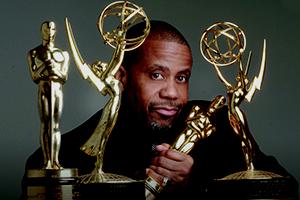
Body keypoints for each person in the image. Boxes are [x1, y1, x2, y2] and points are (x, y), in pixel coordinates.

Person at [23, 20, 298, 199]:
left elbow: (285, 189)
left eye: (182, 77)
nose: (172, 93)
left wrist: (195, 185)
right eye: (156, 75)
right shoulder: (62, 157)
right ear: (121, 77)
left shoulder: (218, 123)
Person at [27, 21, 69, 170]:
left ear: (55, 31)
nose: (49, 32)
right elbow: (34, 76)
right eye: (46, 29)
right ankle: (47, 162)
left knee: (56, 125)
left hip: (57, 90)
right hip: (44, 88)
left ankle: (55, 161)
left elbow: (64, 77)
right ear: (41, 31)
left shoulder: (63, 54)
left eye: (52, 28)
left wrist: (53, 69)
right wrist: (46, 65)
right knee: (45, 124)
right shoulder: (34, 53)